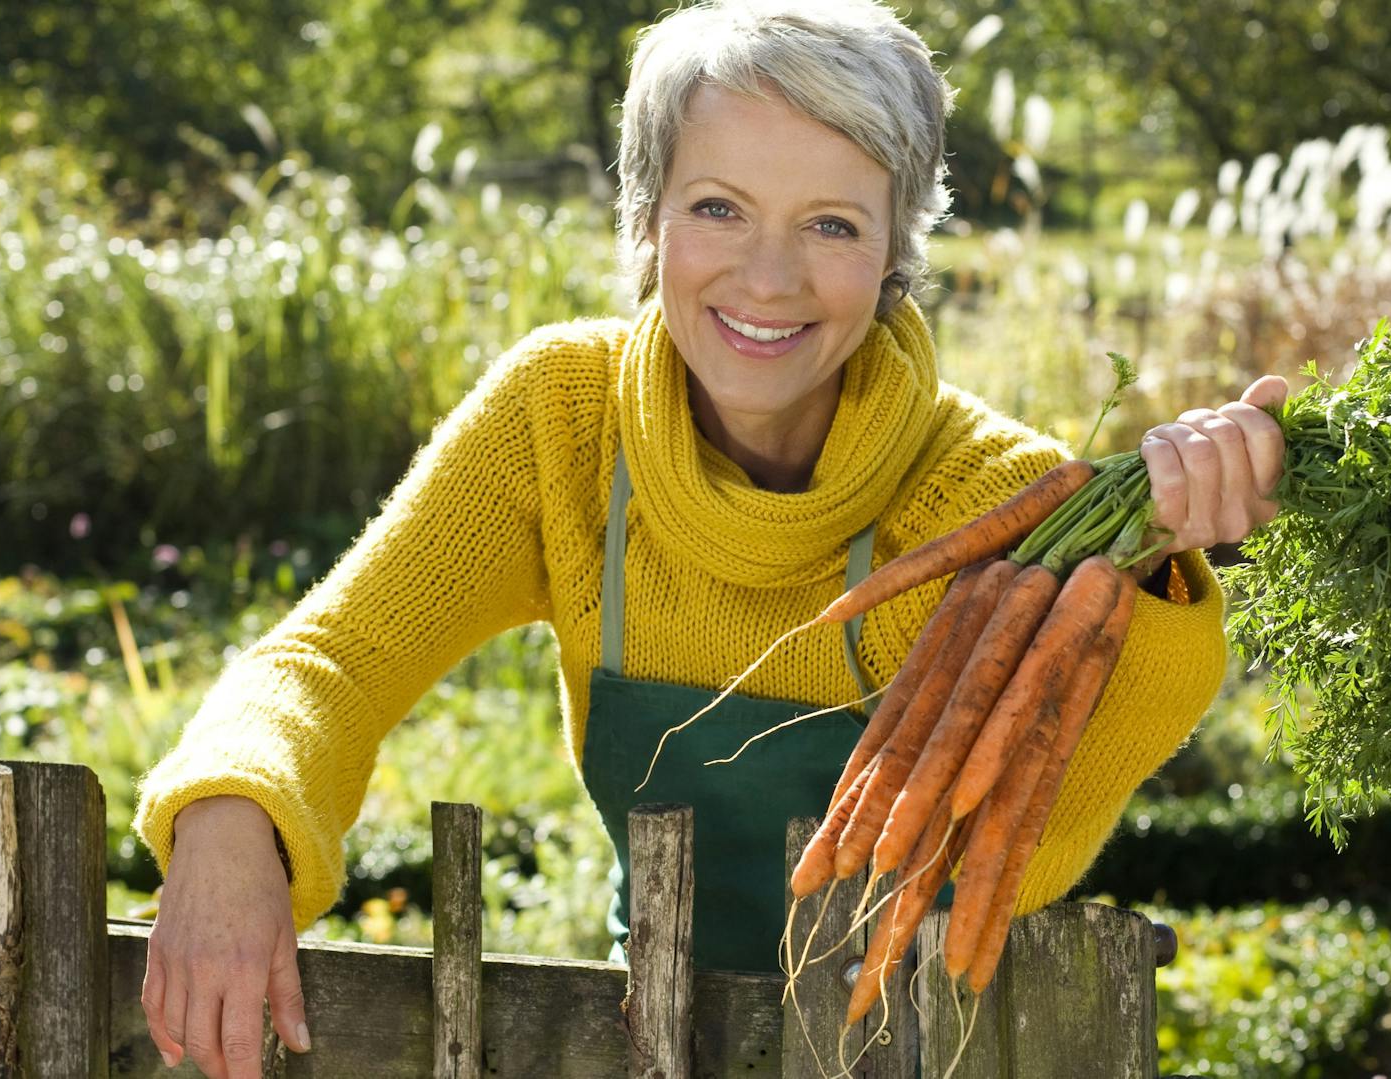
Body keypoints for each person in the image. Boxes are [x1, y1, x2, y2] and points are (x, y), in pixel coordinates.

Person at [133, 1, 1288, 1074]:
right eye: (718, 208)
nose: (768, 277)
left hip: (933, 1046)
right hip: (660, 1030)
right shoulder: (560, 420)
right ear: (646, 219)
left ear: (898, 251)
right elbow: (333, 658)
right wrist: (233, 812)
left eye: (830, 223)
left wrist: (1151, 553)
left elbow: (1037, 826)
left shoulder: (998, 499)